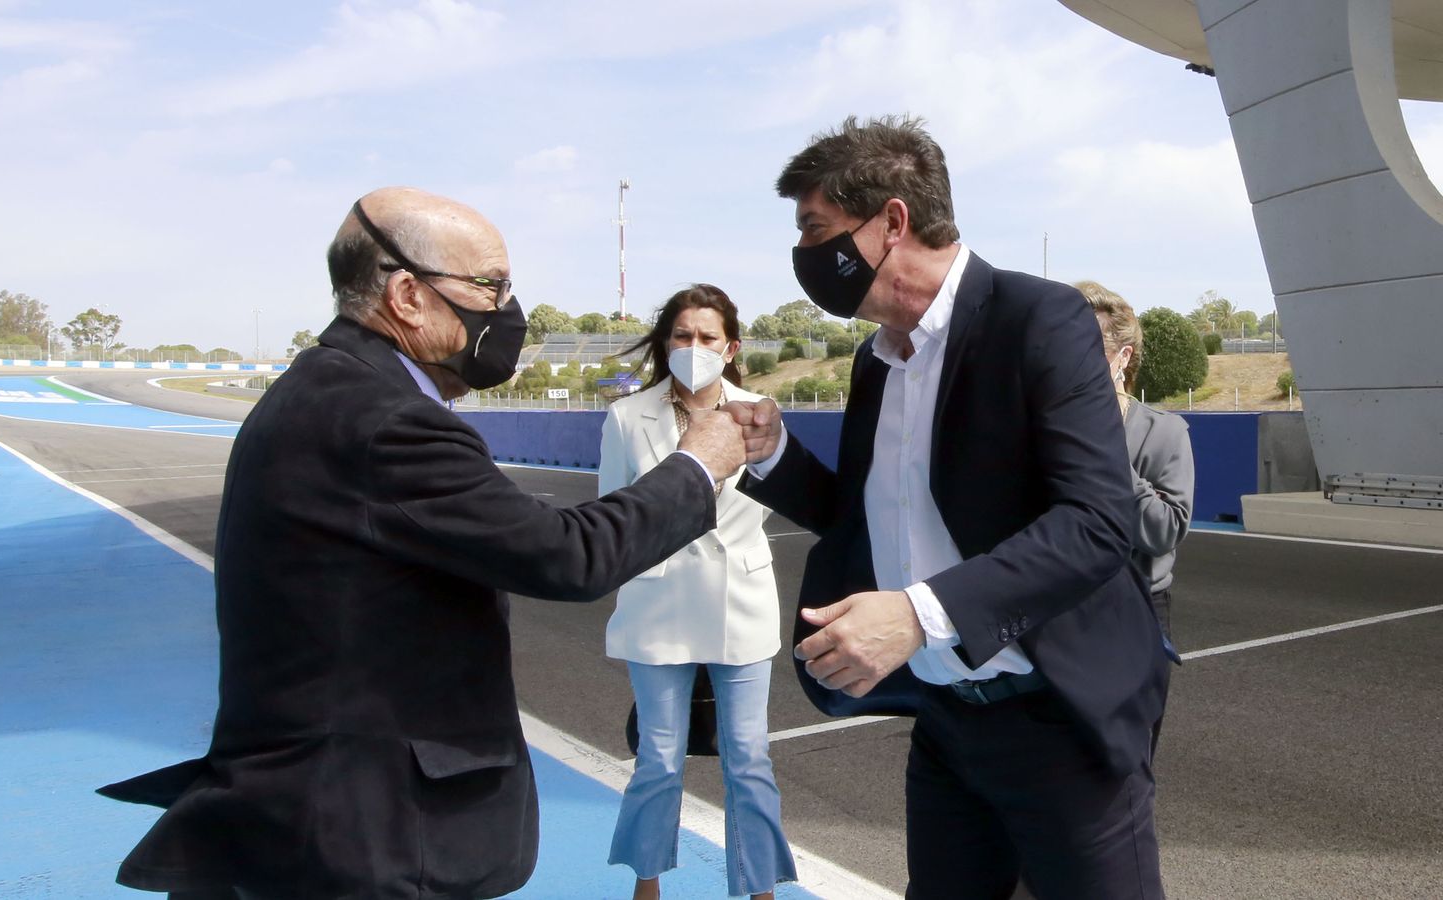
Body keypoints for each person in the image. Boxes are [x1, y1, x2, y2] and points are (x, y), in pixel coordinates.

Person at [96, 187, 748, 899]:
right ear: (407, 293)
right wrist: (698, 464)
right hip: (361, 839)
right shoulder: (383, 419)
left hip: (314, 825)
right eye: (490, 286)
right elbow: (568, 555)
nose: (506, 311)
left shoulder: (329, 389)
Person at [725, 116, 1173, 899]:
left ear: (891, 222)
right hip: (948, 722)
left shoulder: (1039, 319)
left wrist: (918, 616)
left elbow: (1100, 522)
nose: (803, 257)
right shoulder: (878, 361)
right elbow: (867, 517)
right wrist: (773, 456)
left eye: (816, 229)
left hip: (1058, 723)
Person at [600, 285, 797, 900]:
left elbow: (781, 489)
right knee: (659, 757)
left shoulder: (760, 412)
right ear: (666, 342)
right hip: (656, 603)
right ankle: (647, 883)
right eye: (682, 335)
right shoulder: (627, 417)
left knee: (749, 757)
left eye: (707, 337)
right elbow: (613, 515)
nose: (694, 347)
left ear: (731, 346)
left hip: (740, 600)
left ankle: (760, 888)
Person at [1076, 280, 1194, 645]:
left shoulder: (1165, 432)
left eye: (1089, 350)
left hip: (1137, 610)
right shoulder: (1046, 427)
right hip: (1061, 609)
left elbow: (1164, 532)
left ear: (1123, 358)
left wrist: (1104, 449)